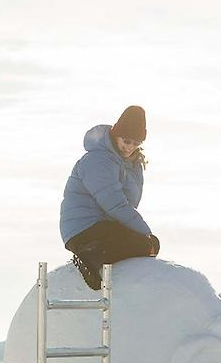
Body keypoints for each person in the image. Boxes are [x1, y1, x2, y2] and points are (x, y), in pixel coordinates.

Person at [59, 105, 159, 291]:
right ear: (116, 134)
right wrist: (146, 232)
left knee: (148, 245)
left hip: (104, 227)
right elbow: (114, 204)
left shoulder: (131, 164)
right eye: (126, 140)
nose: (129, 147)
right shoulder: (98, 160)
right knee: (145, 244)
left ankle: (98, 256)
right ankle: (89, 257)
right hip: (83, 228)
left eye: (135, 143)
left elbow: (129, 203)